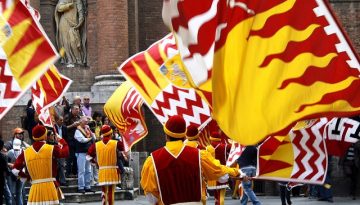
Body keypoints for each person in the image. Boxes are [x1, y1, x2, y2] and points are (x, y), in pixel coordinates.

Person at [141, 115, 245, 205]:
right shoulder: (200, 155)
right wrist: (237, 172)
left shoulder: (152, 161)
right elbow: (221, 173)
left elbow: (151, 197)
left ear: (166, 135)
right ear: (183, 135)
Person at [12, 125, 69, 205]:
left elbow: (15, 171)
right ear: (45, 135)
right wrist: (62, 141)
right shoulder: (52, 148)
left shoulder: (25, 152)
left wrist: (27, 177)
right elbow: (65, 152)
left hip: (35, 189)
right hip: (50, 187)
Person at [87, 125, 124, 205]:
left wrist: (95, 163)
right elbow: (125, 148)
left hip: (102, 170)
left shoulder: (96, 145)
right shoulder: (116, 143)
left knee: (104, 191)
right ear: (111, 134)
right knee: (111, 192)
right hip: (113, 170)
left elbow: (88, 156)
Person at [54, 0, 86, 67]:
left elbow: (81, 13)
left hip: (74, 24)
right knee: (64, 42)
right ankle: (69, 60)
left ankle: (78, 60)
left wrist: (79, 23)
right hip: (64, 22)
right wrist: (68, 5)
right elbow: (59, 8)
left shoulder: (78, 1)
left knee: (73, 41)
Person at [206, 131, 231, 205]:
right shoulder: (225, 146)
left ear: (211, 139)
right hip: (222, 172)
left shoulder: (207, 148)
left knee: (216, 194)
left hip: (212, 174)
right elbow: (233, 148)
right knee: (221, 195)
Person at [74, 116, 95, 193]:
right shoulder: (77, 130)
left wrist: (90, 131)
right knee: (81, 170)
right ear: (81, 122)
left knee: (88, 170)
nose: (86, 123)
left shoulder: (87, 130)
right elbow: (82, 140)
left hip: (88, 153)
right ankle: (81, 187)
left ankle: (87, 186)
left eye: (87, 122)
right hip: (81, 153)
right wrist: (90, 139)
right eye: (85, 121)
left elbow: (94, 138)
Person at [6, 139, 25, 205]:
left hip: (21, 173)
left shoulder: (23, 152)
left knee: (19, 193)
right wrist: (10, 165)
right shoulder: (10, 152)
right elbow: (6, 162)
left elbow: (26, 163)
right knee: (12, 192)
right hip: (12, 173)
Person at [64, 104, 81, 177]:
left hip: (77, 139)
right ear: (72, 109)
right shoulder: (67, 117)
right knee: (70, 156)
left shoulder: (79, 117)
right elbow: (64, 128)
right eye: (76, 109)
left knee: (76, 156)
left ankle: (75, 172)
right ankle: (68, 172)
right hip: (69, 139)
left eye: (78, 109)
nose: (77, 110)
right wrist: (73, 125)